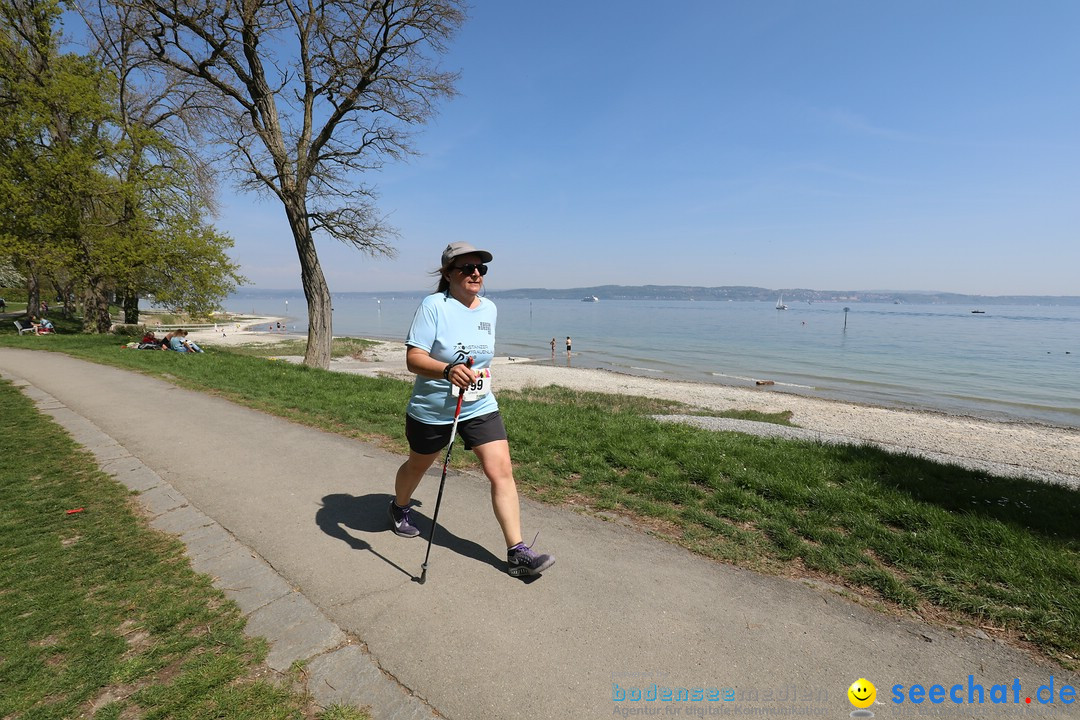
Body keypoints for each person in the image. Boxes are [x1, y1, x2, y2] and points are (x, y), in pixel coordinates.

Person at [390, 242, 555, 578]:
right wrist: (448, 370)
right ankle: (399, 506)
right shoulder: (433, 306)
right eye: (467, 268)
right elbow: (413, 359)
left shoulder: (489, 309)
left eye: (481, 268)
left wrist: (472, 376)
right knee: (417, 466)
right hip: (434, 410)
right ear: (449, 273)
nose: (476, 273)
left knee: (501, 471)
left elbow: (482, 360)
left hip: (479, 404)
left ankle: (517, 552)